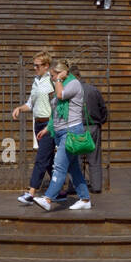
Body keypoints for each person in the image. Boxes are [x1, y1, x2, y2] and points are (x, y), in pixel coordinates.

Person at [33, 59, 92, 211]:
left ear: (61, 73)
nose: (52, 79)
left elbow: (60, 96)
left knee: (58, 166)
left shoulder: (73, 84)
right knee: (73, 168)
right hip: (60, 132)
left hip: (71, 131)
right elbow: (56, 112)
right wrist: (47, 128)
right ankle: (85, 199)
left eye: (53, 75)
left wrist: (59, 79)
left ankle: (48, 199)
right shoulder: (62, 84)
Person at [13, 52, 55, 203]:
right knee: (49, 161)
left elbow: (57, 105)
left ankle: (31, 192)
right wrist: (19, 108)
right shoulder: (36, 81)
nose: (35, 68)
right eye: (34, 65)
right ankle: (61, 190)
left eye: (37, 66)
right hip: (38, 124)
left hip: (49, 125)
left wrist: (51, 124)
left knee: (41, 158)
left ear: (46, 66)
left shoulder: (51, 81)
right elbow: (30, 103)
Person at [77, 73, 108, 193]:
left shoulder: (70, 91)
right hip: (93, 126)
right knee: (94, 158)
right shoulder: (93, 90)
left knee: (76, 159)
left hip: (77, 127)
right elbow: (103, 109)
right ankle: (96, 186)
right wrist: (101, 121)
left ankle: (76, 185)